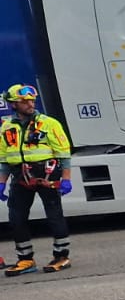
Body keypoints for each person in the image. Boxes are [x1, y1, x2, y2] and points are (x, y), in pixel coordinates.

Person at [0, 84, 73, 275]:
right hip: (19, 176)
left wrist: (66, 178)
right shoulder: (7, 127)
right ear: (13, 104)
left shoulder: (49, 123)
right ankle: (25, 260)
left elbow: (63, 153)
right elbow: (4, 159)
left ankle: (61, 256)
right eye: (24, 101)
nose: (30, 104)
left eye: (32, 100)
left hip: (46, 175)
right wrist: (1, 182)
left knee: (54, 215)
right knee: (16, 218)